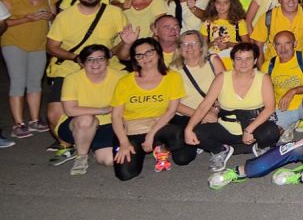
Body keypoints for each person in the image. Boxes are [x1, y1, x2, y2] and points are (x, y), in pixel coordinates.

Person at [46, 0, 128, 139]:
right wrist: (76, 58)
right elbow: (51, 47)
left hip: (107, 67)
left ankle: (111, 139)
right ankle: (66, 144)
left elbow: (125, 42)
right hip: (70, 68)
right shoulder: (65, 16)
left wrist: (110, 52)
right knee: (54, 114)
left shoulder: (114, 13)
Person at [110, 37, 196, 180]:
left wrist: (151, 135)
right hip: (133, 131)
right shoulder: (124, 82)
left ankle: (160, 145)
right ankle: (150, 149)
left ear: (158, 53)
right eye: (139, 55)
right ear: (135, 59)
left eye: (149, 52)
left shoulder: (172, 77)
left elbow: (171, 111)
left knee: (182, 154)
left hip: (160, 126)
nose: (145, 58)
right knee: (125, 174)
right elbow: (116, 116)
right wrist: (124, 142)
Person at [186, 42, 280, 171]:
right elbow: (204, 105)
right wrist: (188, 129)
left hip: (255, 127)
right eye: (239, 59)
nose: (243, 63)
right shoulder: (222, 78)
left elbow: (270, 108)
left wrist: (249, 130)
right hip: (227, 128)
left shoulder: (263, 78)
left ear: (255, 61)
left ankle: (260, 147)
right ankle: (221, 150)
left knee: (271, 131)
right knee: (197, 131)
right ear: (233, 61)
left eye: (248, 59)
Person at [2, 0, 57, 138]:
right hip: (14, 42)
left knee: (35, 82)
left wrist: (50, 16)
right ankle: (18, 123)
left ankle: (34, 119)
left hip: (39, 43)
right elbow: (4, 23)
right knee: (18, 82)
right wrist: (28, 18)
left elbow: (57, 20)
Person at [54, 45, 125, 175]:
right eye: (90, 59)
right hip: (76, 124)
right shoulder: (72, 79)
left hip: (109, 125)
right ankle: (81, 156)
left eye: (100, 58)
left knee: (109, 160)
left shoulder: (121, 76)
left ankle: (89, 145)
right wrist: (103, 110)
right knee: (86, 119)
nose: (96, 63)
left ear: (107, 61)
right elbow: (70, 110)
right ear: (82, 63)